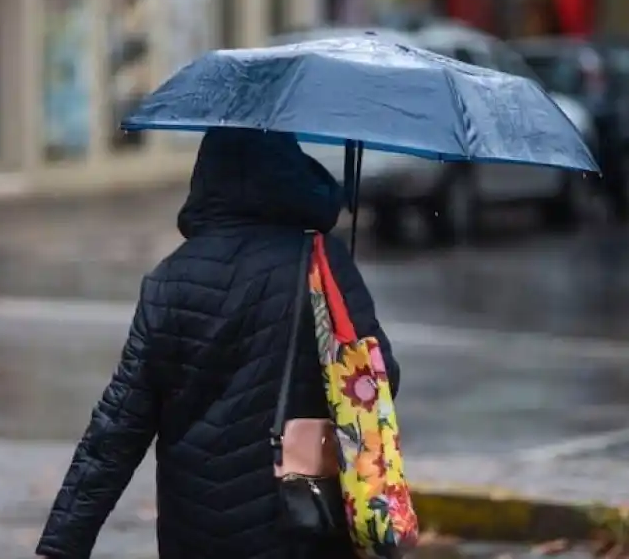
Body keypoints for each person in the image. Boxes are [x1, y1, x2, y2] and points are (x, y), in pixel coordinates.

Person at [35, 127, 400, 559]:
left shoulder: (170, 279)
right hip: (301, 521)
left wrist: (64, 542)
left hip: (195, 531)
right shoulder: (321, 263)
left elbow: (117, 427)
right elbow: (380, 380)